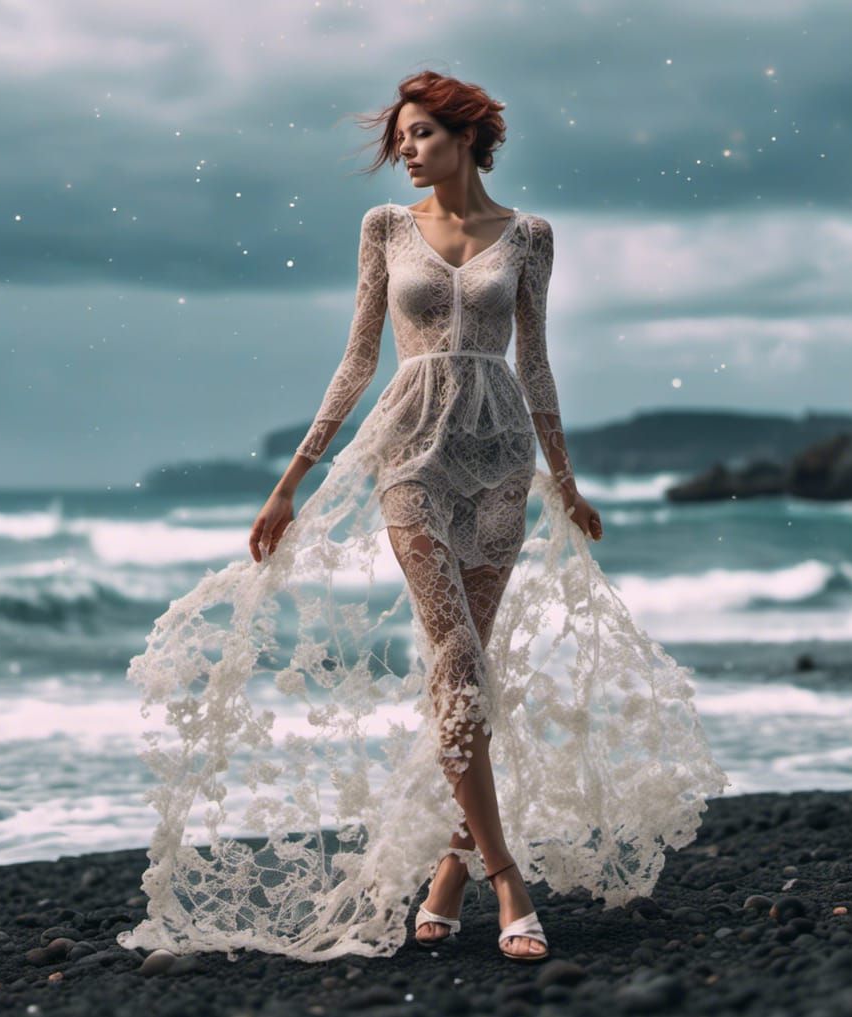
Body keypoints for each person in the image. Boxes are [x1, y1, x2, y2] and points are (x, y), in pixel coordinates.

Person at [116, 71, 729, 966]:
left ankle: (450, 870)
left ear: (469, 138)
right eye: (401, 138)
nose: (405, 151)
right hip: (408, 456)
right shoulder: (385, 231)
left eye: (421, 136)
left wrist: (565, 479)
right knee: (451, 656)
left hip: (497, 458)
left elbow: (541, 364)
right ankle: (507, 874)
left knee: (468, 667)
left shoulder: (528, 237)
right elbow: (360, 356)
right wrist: (290, 480)